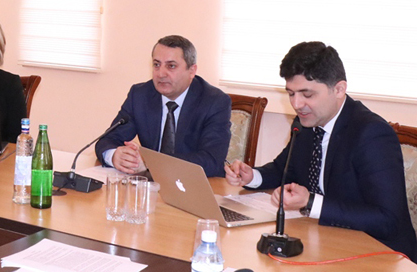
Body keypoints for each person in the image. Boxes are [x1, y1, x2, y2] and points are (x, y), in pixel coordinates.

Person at [225, 42, 417, 261]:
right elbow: (283, 170)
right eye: (291, 94)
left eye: (307, 95)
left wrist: (310, 203)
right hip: (328, 240)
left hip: (381, 255)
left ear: (339, 89)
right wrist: (252, 176)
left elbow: (387, 219)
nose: (297, 104)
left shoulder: (371, 134)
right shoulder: (306, 124)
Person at [95, 35, 231, 177]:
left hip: (191, 184)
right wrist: (114, 156)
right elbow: (107, 140)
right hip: (149, 185)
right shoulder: (140, 95)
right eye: (156, 65)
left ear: (192, 71)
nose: (161, 74)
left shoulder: (214, 102)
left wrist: (151, 163)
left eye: (171, 66)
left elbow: (212, 161)